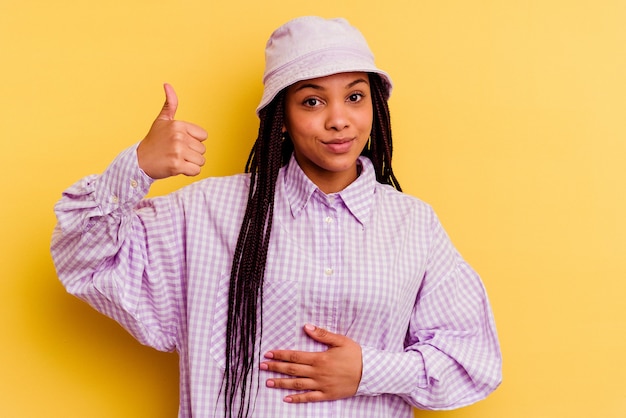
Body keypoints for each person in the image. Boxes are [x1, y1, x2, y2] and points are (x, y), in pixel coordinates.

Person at [51, 16, 502, 418]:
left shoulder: (413, 225)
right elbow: (83, 260)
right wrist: (138, 167)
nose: (339, 120)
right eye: (312, 101)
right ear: (281, 118)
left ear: (374, 108)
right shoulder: (207, 213)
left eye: (355, 96)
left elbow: (472, 358)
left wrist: (370, 370)